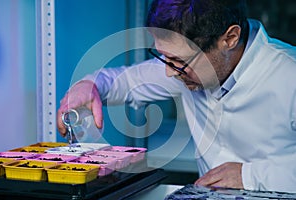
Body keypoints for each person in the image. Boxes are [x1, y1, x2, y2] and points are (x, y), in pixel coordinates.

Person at [57, 0, 296, 193]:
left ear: (230, 38)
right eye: (164, 57)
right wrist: (87, 85)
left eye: (180, 61)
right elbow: (121, 81)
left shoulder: (289, 74)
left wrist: (249, 176)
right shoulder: (184, 70)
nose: (169, 72)